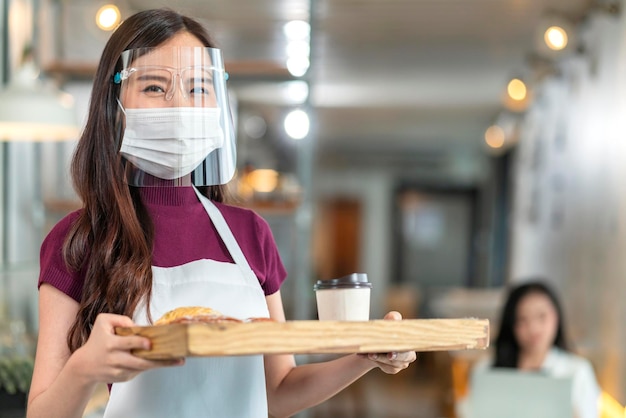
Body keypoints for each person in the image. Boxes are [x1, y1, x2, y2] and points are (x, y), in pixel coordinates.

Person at [26, 8, 416, 418]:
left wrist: (367, 356)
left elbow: (278, 391)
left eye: (199, 88)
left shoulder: (250, 234)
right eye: (155, 87)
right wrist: (85, 367)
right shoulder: (79, 239)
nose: (180, 105)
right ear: (114, 103)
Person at [461, 280, 600, 418]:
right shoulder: (487, 370)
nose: (533, 328)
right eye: (522, 320)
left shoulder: (577, 371)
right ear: (511, 324)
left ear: (556, 316)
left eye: (542, 317)